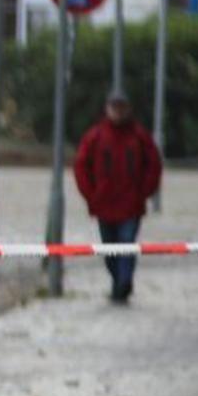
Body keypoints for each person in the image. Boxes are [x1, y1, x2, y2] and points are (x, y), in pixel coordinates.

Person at [75, 90, 163, 304]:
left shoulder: (139, 136)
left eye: (121, 107)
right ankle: (118, 281)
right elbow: (81, 166)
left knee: (126, 244)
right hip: (104, 205)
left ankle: (123, 283)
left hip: (130, 205)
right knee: (109, 249)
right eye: (114, 107)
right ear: (107, 109)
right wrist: (92, 195)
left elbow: (154, 164)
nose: (118, 112)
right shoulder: (95, 136)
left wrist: (143, 192)